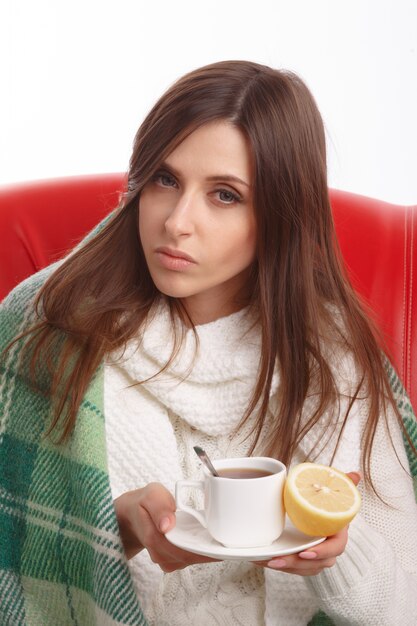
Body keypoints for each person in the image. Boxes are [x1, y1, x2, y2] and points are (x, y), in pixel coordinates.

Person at [0, 60, 416, 626]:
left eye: (224, 195)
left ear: (280, 217)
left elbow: (405, 602)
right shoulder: (52, 331)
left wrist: (338, 549)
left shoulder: (332, 360)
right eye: (165, 180)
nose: (177, 222)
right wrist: (112, 530)